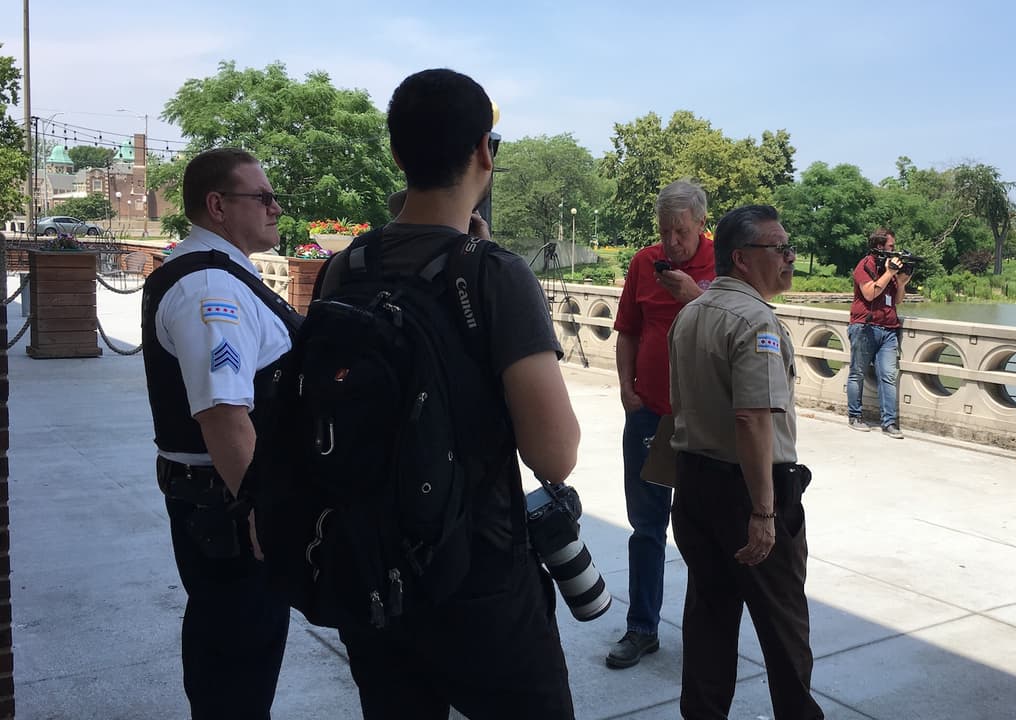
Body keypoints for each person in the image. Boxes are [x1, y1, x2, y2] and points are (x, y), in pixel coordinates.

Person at [316, 68, 580, 719]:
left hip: (370, 571)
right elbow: (555, 454)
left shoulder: (342, 268)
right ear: (484, 152)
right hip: (478, 576)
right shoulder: (494, 275)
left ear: (397, 153)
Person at [140, 148, 294, 719]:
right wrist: (261, 510)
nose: (276, 208)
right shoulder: (212, 288)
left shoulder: (219, 274)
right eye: (263, 197)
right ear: (217, 205)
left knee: (228, 655)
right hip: (229, 511)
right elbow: (224, 414)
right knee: (238, 668)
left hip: (219, 506)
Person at [667, 204, 824, 719]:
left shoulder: (690, 313)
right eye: (777, 248)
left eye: (789, 247)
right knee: (782, 629)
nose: (789, 257)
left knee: (709, 621)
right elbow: (753, 420)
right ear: (741, 258)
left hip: (694, 487)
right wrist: (763, 513)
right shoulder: (755, 321)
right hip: (747, 491)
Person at [607, 179, 715, 669]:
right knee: (646, 527)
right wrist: (628, 391)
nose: (672, 242)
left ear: (701, 224)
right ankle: (642, 628)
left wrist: (695, 295)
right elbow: (627, 329)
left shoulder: (725, 262)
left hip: (706, 419)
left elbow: (744, 325)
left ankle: (704, 634)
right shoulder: (643, 263)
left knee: (704, 530)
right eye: (664, 231)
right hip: (649, 412)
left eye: (681, 231)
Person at [846, 227, 912, 439]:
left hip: (889, 330)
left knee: (888, 376)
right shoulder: (864, 265)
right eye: (891, 247)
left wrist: (900, 282)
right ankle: (855, 416)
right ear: (879, 246)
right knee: (858, 372)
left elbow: (897, 300)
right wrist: (889, 273)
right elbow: (869, 292)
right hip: (864, 327)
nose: (895, 251)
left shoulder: (889, 270)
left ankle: (889, 423)